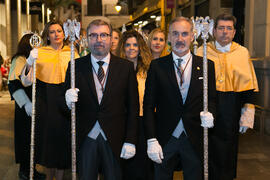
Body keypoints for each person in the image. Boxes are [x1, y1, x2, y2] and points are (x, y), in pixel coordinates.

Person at [64, 19, 139, 180]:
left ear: (111, 39)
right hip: (85, 138)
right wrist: (67, 100)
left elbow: (133, 106)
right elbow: (64, 107)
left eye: (103, 35)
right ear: (87, 39)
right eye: (93, 35)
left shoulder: (125, 67)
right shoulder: (75, 66)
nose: (99, 40)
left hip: (115, 138)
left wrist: (131, 140)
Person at [143, 16, 216, 180]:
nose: (180, 39)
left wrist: (211, 114)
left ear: (192, 36)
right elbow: (148, 105)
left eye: (185, 34)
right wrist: (151, 139)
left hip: (195, 137)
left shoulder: (206, 65)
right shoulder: (157, 66)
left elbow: (211, 99)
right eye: (175, 34)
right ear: (169, 37)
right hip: (164, 138)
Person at [197, 13, 259, 180]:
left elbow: (249, 86)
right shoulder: (202, 50)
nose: (225, 32)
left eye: (229, 28)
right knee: (205, 147)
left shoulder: (242, 52)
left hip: (231, 106)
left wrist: (247, 115)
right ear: (214, 30)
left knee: (228, 149)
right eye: (221, 28)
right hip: (206, 106)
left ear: (234, 32)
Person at [20, 20, 79, 180]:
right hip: (45, 100)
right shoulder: (40, 52)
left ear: (64, 33)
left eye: (59, 31)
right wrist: (30, 61)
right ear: (47, 35)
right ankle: (49, 177)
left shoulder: (72, 51)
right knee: (48, 143)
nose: (56, 34)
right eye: (52, 32)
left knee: (63, 142)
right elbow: (25, 81)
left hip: (66, 101)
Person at [7, 33, 46, 180]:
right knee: (25, 139)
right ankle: (24, 170)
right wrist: (26, 104)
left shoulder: (36, 59)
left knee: (34, 138)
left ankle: (32, 169)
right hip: (25, 108)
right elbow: (13, 83)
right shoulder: (19, 59)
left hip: (36, 105)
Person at [116, 30, 153, 180]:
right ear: (123, 48)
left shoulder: (148, 69)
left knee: (143, 164)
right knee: (125, 164)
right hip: (122, 121)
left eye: (135, 45)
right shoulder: (116, 69)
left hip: (143, 120)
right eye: (128, 45)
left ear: (140, 48)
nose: (131, 48)